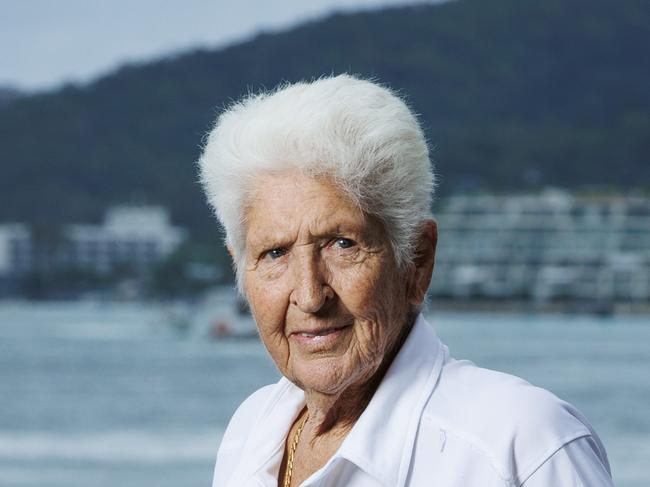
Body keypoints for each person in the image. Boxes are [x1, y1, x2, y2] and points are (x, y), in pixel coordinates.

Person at [198, 75, 614, 487]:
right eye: (275, 253)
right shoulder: (251, 433)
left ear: (417, 261)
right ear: (242, 269)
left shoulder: (522, 448)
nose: (309, 295)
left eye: (342, 244)